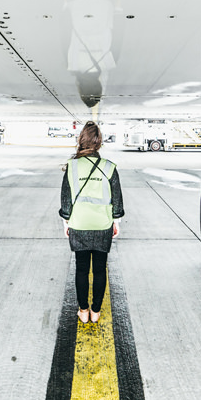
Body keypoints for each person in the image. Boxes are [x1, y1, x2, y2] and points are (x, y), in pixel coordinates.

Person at [59, 121, 124, 324]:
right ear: (99, 142)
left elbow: (66, 199)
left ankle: (83, 311)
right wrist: (116, 222)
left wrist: (66, 223)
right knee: (99, 269)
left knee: (81, 268)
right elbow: (117, 200)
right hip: (102, 225)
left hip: (79, 224)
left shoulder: (72, 166)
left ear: (81, 140)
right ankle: (96, 312)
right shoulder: (109, 167)